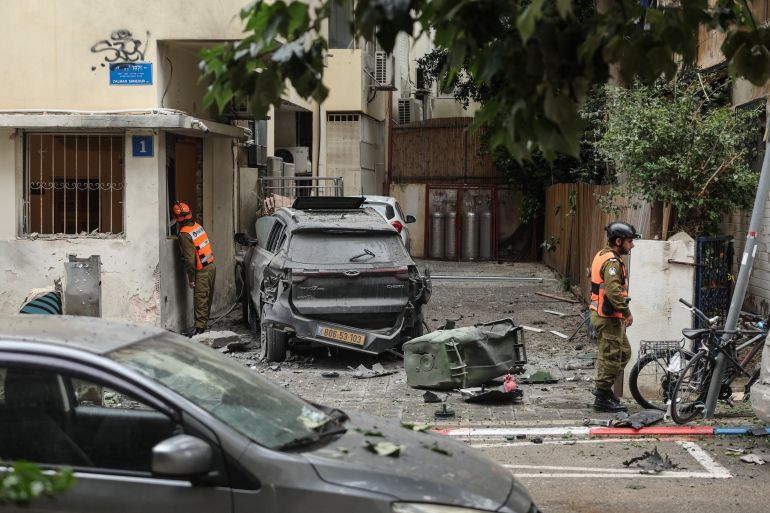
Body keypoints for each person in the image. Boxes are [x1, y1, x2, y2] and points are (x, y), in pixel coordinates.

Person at [589, 221, 640, 413]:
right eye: (629, 241)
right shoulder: (611, 263)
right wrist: (626, 312)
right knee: (611, 357)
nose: (632, 245)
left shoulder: (602, 254)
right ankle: (602, 397)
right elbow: (613, 291)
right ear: (618, 241)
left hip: (604, 315)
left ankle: (604, 389)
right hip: (607, 317)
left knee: (623, 353)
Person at [173, 202, 216, 336]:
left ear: (176, 218)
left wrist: (191, 278)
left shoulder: (184, 234)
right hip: (211, 266)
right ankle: (202, 326)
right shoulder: (197, 226)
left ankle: (199, 331)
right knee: (206, 298)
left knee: (200, 299)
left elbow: (190, 260)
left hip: (201, 270)